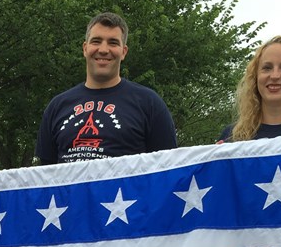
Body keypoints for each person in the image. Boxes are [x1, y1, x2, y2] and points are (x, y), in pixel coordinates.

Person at [35, 12, 177, 164]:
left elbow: (167, 169)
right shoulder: (57, 106)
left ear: (124, 52)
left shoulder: (149, 103)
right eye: (96, 41)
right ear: (85, 48)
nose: (103, 49)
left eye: (113, 43)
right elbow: (45, 176)